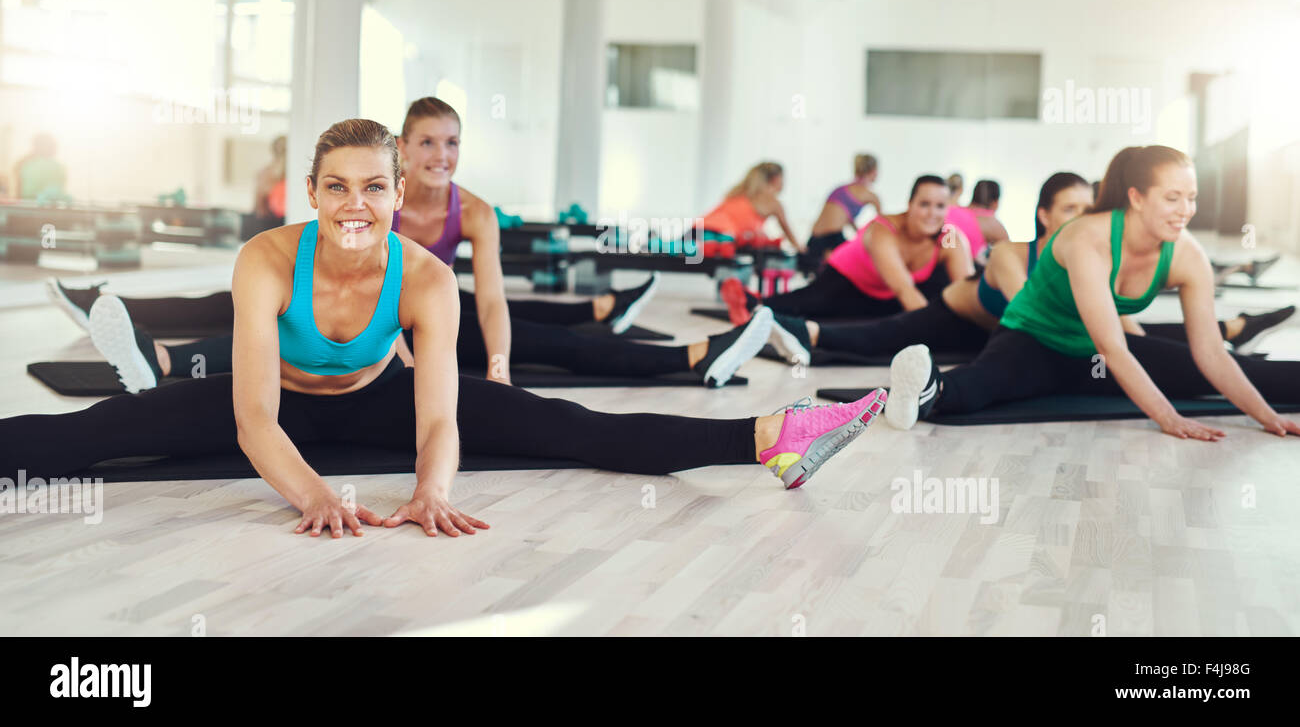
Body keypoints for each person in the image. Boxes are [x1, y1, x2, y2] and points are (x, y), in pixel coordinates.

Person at [2, 120, 890, 540]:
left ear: (397, 195)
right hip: (279, 410)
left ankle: (773, 435)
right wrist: (312, 495)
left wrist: (433, 486)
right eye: (339, 187)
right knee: (85, 438)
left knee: (581, 428)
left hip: (379, 403)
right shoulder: (269, 258)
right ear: (312, 192)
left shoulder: (426, 275)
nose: (357, 204)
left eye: (374, 187)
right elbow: (252, 422)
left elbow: (437, 416)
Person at [47, 99, 681, 385]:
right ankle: (127, 325)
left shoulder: (477, 213)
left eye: (453, 142)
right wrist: (390, 360)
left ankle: (626, 325)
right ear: (405, 151)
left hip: (413, 304)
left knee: (533, 333)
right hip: (342, 303)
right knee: (243, 307)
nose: (442, 154)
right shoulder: (367, 198)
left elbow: (492, 303)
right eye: (428, 142)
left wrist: (498, 367)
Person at [883, 145, 1300, 440]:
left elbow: (1208, 351)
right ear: (1136, 198)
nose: (1185, 210)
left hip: (1094, 358)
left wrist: (1266, 417)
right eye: (1172, 198)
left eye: (1191, 198)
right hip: (1033, 340)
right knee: (982, 385)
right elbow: (1114, 348)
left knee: (1234, 369)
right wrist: (1168, 418)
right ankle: (925, 388)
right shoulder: (1089, 239)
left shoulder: (1187, 254)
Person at [761, 172, 1293, 364]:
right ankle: (793, 330)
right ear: (1043, 215)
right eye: (1069, 211)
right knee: (875, 340)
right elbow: (1027, 317)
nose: (1081, 222)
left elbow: (1126, 331)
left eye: (1088, 212)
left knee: (1137, 331)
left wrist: (1209, 345)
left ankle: (1236, 326)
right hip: (960, 318)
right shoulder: (1017, 253)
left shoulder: (1089, 261)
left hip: (998, 335)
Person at [721, 175, 974, 323]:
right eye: (925, 204)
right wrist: (936, 330)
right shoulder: (883, 230)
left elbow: (966, 291)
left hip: (884, 295)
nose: (932, 213)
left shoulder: (949, 237)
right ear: (909, 204)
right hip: (847, 277)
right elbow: (904, 289)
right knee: (808, 304)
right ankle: (750, 300)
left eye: (940, 206)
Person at [701, 162, 804, 252]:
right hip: (724, 237)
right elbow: (790, 235)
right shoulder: (772, 203)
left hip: (696, 232)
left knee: (695, 259)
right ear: (775, 179)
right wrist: (802, 250)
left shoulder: (737, 192)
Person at [806, 154, 882, 259]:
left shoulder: (840, 189)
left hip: (814, 239)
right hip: (832, 240)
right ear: (873, 171)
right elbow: (882, 224)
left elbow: (845, 216)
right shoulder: (871, 196)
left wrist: (858, 235)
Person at [943, 178, 1009, 262]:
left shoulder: (950, 210)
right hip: (961, 268)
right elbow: (1010, 256)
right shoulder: (993, 224)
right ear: (995, 203)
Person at [14, 133, 67, 200]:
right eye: (51, 146)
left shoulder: (24, 164)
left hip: (27, 204)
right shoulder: (58, 167)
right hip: (42, 205)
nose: (54, 148)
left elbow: (18, 191)